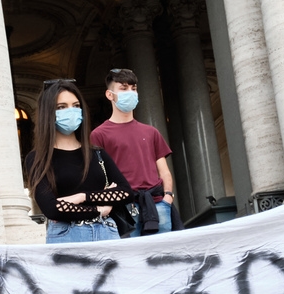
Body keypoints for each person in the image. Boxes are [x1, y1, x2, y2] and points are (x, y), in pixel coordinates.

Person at [26, 78, 133, 243]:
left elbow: (125, 192)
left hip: (107, 232)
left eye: (76, 106)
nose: (71, 111)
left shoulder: (96, 153)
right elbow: (52, 209)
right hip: (67, 236)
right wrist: (99, 209)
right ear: (48, 113)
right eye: (61, 107)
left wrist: (81, 197)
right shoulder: (38, 159)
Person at [91, 68, 177, 234]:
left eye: (133, 88)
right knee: (130, 259)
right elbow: (97, 177)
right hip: (122, 208)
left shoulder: (151, 132)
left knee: (164, 257)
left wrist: (168, 197)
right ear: (110, 95)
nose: (130, 92)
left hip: (158, 204)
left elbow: (164, 171)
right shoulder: (98, 135)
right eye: (123, 89)